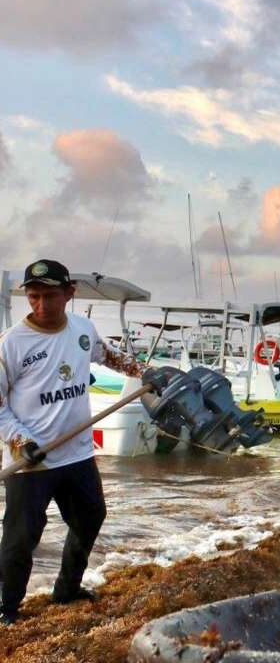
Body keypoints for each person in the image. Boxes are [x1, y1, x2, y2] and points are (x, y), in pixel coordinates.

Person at [0, 260, 151, 626]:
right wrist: (20, 440)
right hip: (31, 461)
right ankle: (8, 609)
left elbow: (110, 356)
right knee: (20, 540)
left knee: (90, 517)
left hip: (78, 454)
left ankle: (67, 590)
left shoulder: (83, 329)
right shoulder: (11, 344)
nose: (41, 305)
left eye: (50, 296)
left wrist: (146, 372)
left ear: (69, 294)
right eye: (33, 296)